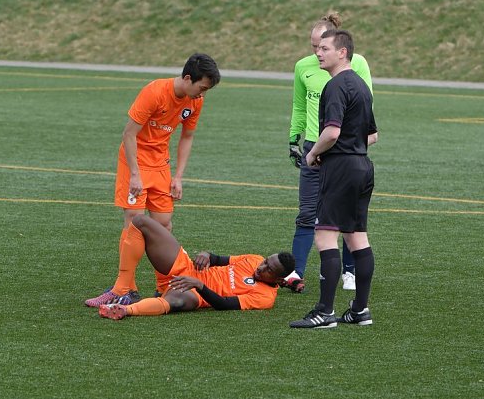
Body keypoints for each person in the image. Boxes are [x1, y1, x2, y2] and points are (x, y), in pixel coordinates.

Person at [85, 53, 221, 307]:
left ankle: (164, 287)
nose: (202, 95)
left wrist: (178, 176)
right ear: (188, 78)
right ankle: (123, 288)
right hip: (134, 161)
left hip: (161, 165)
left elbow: (187, 137)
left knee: (163, 225)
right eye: (201, 88)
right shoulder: (155, 92)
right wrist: (134, 174)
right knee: (134, 221)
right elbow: (129, 134)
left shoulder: (195, 102)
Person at [290, 29, 377, 329]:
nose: (318, 53)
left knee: (325, 236)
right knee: (356, 238)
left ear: (342, 52)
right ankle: (359, 310)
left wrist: (313, 153)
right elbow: (373, 135)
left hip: (339, 168)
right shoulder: (362, 87)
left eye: (325, 48)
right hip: (363, 166)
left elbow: (332, 131)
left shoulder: (336, 85)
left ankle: (325, 312)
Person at [99, 215, 296, 320]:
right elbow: (219, 259)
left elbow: (224, 304)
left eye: (269, 269)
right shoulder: (254, 259)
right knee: (141, 222)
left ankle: (125, 309)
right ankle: (125, 287)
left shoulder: (264, 298)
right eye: (265, 262)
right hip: (186, 268)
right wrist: (206, 254)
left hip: (196, 294)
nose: (261, 267)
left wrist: (199, 285)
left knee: (176, 301)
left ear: (279, 280)